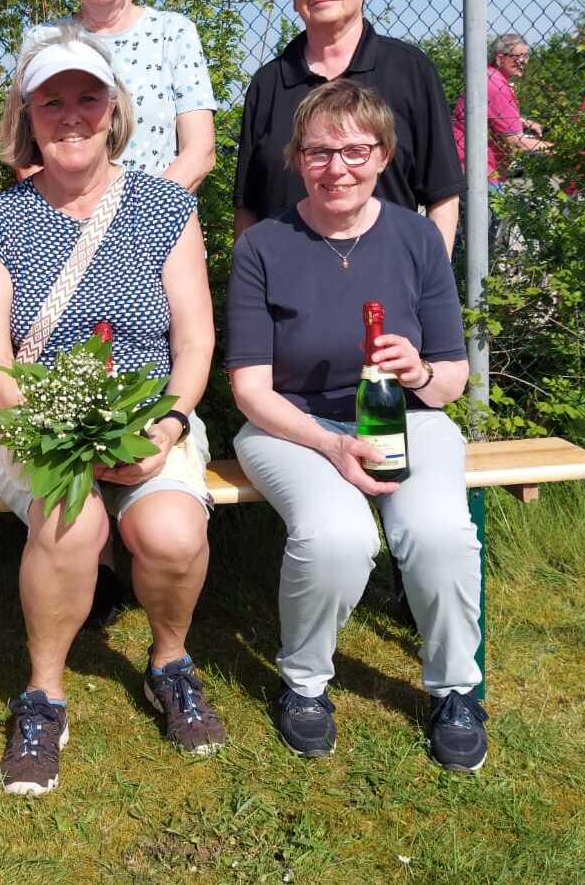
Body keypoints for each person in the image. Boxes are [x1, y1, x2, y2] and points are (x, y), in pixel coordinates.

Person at [0, 26, 222, 796]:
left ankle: (169, 662)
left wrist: (170, 426)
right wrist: (64, 432)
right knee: (73, 524)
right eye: (52, 101)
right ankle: (44, 695)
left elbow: (197, 341)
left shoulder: (164, 206)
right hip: (42, 419)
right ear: (28, 116)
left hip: (151, 415)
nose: (71, 115)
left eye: (88, 97)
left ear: (113, 110)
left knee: (171, 532)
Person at [225, 79, 487, 774]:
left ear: (382, 154)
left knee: (438, 534)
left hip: (406, 414)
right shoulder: (264, 247)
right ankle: (305, 684)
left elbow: (453, 378)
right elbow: (250, 388)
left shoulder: (416, 238)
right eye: (318, 152)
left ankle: (455, 689)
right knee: (336, 537)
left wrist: (418, 374)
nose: (336, 167)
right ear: (296, 159)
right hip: (293, 425)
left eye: (354, 150)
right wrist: (332, 445)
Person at [23, 0, 218, 625]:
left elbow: (196, 148)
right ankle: (92, 557)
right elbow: (29, 148)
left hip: (153, 237)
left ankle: (148, 525)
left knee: (153, 360)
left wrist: (131, 217)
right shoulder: (43, 37)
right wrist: (76, 224)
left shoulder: (174, 32)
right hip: (61, 241)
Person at [234, 0, 464, 256]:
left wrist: (429, 282)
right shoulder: (268, 82)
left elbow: (442, 194)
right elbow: (248, 205)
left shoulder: (409, 70)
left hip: (388, 281)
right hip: (287, 286)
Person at [22, 0, 217, 191]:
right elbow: (26, 155)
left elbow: (200, 150)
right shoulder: (43, 40)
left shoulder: (174, 33)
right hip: (68, 226)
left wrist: (140, 218)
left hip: (156, 223)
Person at [451, 32, 551, 183]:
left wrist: (525, 122)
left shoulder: (486, 76)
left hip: (463, 163)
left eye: (526, 56)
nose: (524, 61)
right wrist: (564, 151)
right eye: (517, 56)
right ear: (499, 58)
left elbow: (491, 114)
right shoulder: (496, 86)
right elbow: (516, 141)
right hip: (479, 172)